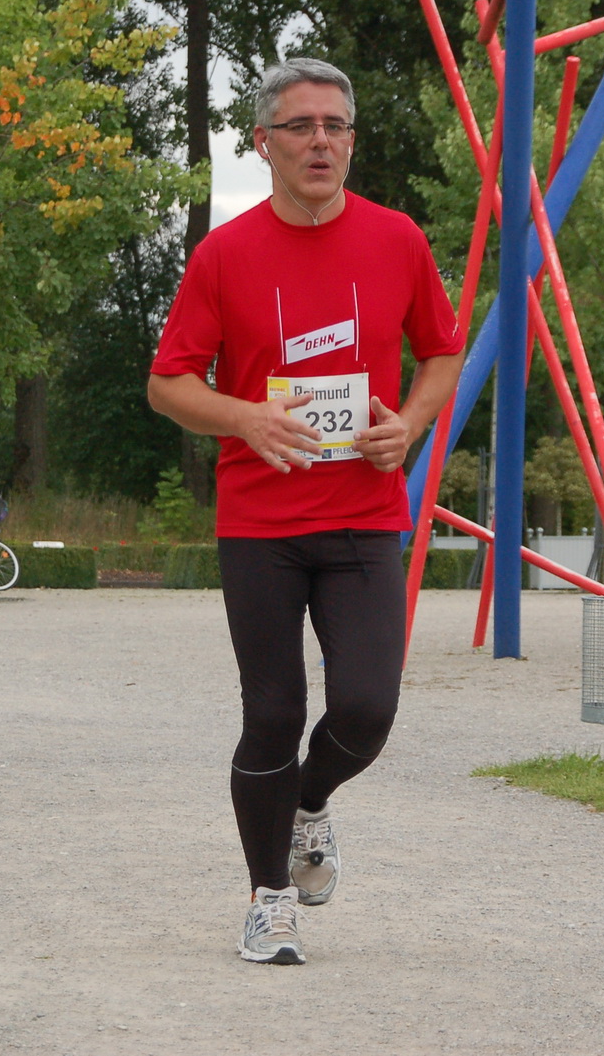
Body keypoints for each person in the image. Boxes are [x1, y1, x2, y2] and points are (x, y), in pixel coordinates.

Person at [147, 58, 465, 965]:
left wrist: (406, 423)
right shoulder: (225, 254)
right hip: (261, 524)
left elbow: (442, 353)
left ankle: (308, 806)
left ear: (353, 142)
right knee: (274, 713)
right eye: (301, 127)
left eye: (335, 126)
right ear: (265, 145)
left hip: (365, 514)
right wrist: (245, 416)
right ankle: (268, 897)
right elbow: (167, 382)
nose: (321, 140)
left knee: (366, 706)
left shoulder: (397, 240)